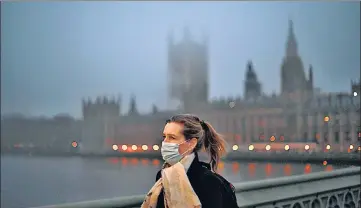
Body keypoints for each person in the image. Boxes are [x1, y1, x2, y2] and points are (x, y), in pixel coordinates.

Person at [141, 114, 228, 208]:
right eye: (164, 136)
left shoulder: (210, 182)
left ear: (191, 143)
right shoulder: (162, 176)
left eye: (172, 137)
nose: (165, 142)